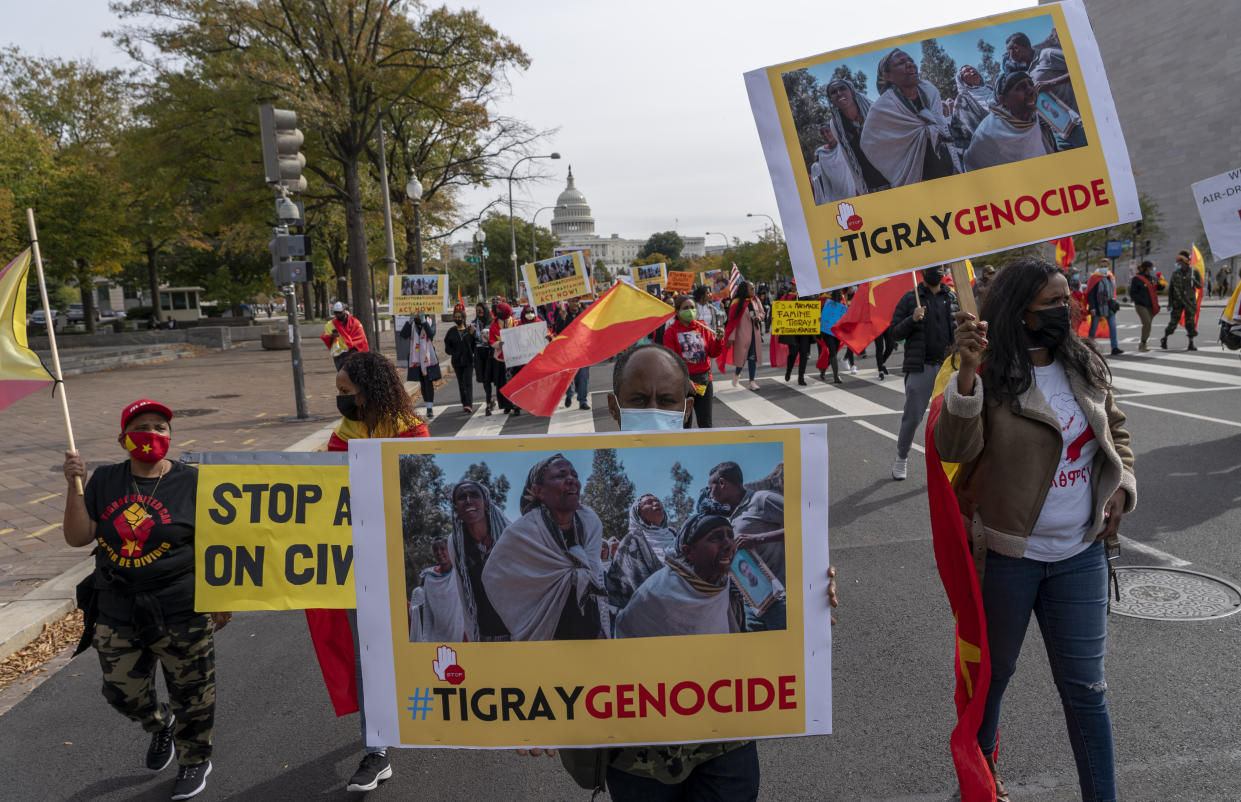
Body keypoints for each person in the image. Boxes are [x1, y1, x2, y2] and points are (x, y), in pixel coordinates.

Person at [935, 257, 1135, 802]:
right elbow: (953, 450)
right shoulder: (990, 369)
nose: (1066, 308)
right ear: (1020, 312)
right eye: (1052, 302)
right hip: (1007, 559)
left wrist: (1121, 485)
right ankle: (980, 788)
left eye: (1067, 298)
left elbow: (1115, 430)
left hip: (1081, 554)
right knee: (990, 685)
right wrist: (968, 372)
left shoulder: (1083, 362)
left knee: (1086, 692)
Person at [61, 399, 227, 802]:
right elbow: (79, 536)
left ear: (171, 437)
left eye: (160, 427)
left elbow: (215, 542)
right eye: (142, 426)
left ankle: (194, 759)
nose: (152, 433)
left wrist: (221, 597)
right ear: (123, 439)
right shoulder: (104, 480)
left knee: (194, 693)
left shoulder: (192, 482)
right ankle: (159, 725)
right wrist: (74, 486)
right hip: (118, 607)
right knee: (122, 692)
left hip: (182, 605)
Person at [309, 351, 428, 792]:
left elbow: (420, 491)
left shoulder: (413, 433)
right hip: (356, 564)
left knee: (415, 643)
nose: (339, 400)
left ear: (369, 391)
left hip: (401, 562)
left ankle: (429, 712)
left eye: (345, 392)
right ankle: (376, 750)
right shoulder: (342, 438)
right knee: (367, 656)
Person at [482, 454, 608, 641]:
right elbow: (493, 577)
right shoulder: (522, 533)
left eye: (574, 475)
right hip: (543, 633)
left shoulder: (590, 522)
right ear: (538, 490)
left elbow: (594, 574)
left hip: (589, 632)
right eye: (561, 475)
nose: (571, 480)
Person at [613, 513, 745, 639]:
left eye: (730, 536)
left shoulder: (723, 584)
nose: (729, 545)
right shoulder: (656, 592)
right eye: (716, 538)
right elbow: (627, 633)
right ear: (688, 551)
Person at [889, 266, 958, 481]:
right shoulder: (911, 298)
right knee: (912, 417)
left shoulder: (951, 296)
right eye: (932, 268)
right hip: (921, 367)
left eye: (940, 267)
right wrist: (913, 319)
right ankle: (902, 457)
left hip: (948, 367)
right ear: (922, 271)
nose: (937, 271)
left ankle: (946, 466)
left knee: (949, 419)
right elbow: (894, 331)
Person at [860, 48, 958, 188]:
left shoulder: (929, 91)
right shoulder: (882, 108)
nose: (910, 64)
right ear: (887, 76)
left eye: (911, 61)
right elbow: (868, 143)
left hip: (946, 166)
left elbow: (940, 125)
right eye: (901, 63)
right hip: (917, 177)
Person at [707, 461, 786, 631]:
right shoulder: (731, 518)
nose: (709, 494)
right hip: (752, 604)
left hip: (779, 599)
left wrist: (759, 539)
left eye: (710, 487)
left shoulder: (762, 499)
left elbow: (804, 526)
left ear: (722, 483)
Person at [448, 481, 511, 641]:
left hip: (518, 632)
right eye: (462, 497)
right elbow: (464, 593)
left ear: (486, 502)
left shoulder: (509, 535)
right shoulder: (456, 543)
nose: (468, 500)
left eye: (474, 495)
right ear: (456, 507)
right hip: (483, 635)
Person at [963, 70, 1058, 172]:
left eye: (1031, 84)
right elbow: (973, 166)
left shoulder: (1032, 119)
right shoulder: (987, 134)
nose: (1031, 90)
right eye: (1021, 87)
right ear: (1003, 100)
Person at [606, 494, 680, 611]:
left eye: (657, 501)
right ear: (638, 514)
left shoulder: (676, 535)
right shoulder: (631, 541)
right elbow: (625, 581)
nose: (656, 503)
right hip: (649, 611)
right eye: (649, 502)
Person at [663, 295, 724, 428]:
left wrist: (719, 340)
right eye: (686, 308)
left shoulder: (703, 327)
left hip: (704, 381)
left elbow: (713, 352)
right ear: (677, 312)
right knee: (684, 424)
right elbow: (671, 361)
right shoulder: (670, 333)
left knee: (706, 423)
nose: (690, 310)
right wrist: (685, 379)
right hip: (683, 383)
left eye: (692, 307)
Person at [826, 78, 889, 192]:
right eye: (834, 92)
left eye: (842, 88)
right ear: (831, 100)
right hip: (872, 185)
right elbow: (849, 156)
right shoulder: (836, 125)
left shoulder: (875, 110)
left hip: (894, 175)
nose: (839, 93)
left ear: (852, 91)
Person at [1029, 28, 1087, 149]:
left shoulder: (1047, 54)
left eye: (1011, 52)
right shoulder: (1027, 72)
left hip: (1076, 121)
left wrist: (1051, 83)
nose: (1010, 58)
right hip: (1059, 130)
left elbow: (1080, 68)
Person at [408, 537, 466, 642]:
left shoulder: (459, 573)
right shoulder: (430, 577)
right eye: (436, 550)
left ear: (449, 549)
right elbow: (427, 608)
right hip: (436, 633)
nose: (439, 552)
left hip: (458, 630)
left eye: (442, 548)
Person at [722, 281, 764, 391]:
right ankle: (737, 374)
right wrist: (731, 338)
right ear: (745, 290)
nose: (754, 290)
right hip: (742, 336)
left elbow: (762, 312)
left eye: (754, 288)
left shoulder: (755, 300)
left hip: (755, 334)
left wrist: (758, 317)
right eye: (751, 288)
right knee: (742, 359)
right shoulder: (736, 303)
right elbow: (732, 322)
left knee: (752, 357)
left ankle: (752, 381)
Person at [401, 312, 442, 419]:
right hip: (416, 359)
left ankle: (430, 408)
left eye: (419, 313)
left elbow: (431, 334)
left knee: (428, 382)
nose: (417, 316)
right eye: (416, 314)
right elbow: (403, 334)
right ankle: (427, 405)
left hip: (428, 359)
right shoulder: (412, 324)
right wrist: (409, 322)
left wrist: (424, 321)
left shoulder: (429, 321)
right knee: (423, 384)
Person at [810, 123, 862, 205]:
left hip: (852, 189)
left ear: (833, 131)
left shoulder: (843, 146)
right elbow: (825, 178)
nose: (825, 135)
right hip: (836, 195)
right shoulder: (822, 154)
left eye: (827, 131)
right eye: (822, 133)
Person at [556, 297, 592, 410]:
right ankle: (570, 394)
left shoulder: (585, 314)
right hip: (568, 352)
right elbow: (559, 333)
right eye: (573, 301)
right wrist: (562, 319)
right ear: (569, 303)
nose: (575, 304)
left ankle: (582, 401)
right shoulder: (562, 314)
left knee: (583, 376)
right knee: (568, 376)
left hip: (582, 351)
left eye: (577, 301)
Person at [949, 64, 995, 150]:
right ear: (961, 79)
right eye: (967, 71)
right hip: (986, 147)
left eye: (973, 68)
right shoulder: (961, 99)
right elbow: (958, 130)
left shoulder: (991, 89)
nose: (972, 71)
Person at [1162, 250, 1201, 350]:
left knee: (1190, 323)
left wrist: (1194, 280)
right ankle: (1165, 338)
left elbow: (1199, 286)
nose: (1179, 265)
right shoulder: (1175, 274)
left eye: (1180, 263)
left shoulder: (1194, 272)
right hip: (1177, 302)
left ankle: (1191, 343)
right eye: (1178, 263)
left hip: (1189, 301)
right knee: (1173, 323)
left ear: (1186, 262)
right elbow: (1171, 289)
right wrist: (1169, 303)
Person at [1086, 259, 1124, 356]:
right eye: (1101, 266)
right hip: (1098, 307)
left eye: (1105, 266)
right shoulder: (1094, 278)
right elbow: (1091, 294)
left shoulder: (1111, 276)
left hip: (1110, 308)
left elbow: (1113, 292)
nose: (1103, 268)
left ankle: (1114, 347)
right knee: (1093, 328)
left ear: (1109, 266)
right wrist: (1092, 307)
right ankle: (1090, 347)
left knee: (1113, 327)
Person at [442, 304, 475, 413]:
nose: (457, 319)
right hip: (457, 362)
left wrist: (470, 335)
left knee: (468, 383)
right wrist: (454, 353)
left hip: (468, 361)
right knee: (461, 383)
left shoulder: (469, 330)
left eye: (459, 317)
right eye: (455, 317)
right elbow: (447, 347)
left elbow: (473, 344)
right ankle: (464, 404)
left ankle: (469, 404)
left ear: (463, 318)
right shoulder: (451, 331)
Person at [488, 301, 518, 416]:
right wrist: (498, 344)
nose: (498, 313)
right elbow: (491, 340)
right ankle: (507, 405)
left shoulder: (516, 322)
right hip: (501, 358)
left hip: (515, 357)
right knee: (503, 383)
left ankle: (516, 405)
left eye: (500, 311)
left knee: (514, 382)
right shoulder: (494, 325)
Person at [321, 302, 369, 370]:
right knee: (342, 376)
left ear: (345, 310)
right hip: (339, 356)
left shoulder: (355, 323)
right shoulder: (330, 325)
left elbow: (361, 339)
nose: (338, 315)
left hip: (354, 354)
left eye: (340, 312)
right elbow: (326, 339)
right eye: (336, 313)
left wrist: (352, 349)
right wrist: (332, 336)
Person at [471, 302, 496, 415]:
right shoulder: (474, 323)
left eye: (480, 311)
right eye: (477, 311)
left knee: (488, 378)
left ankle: (489, 404)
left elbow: (496, 336)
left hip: (490, 353)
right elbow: (470, 342)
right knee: (484, 380)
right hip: (479, 354)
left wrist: (489, 338)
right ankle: (490, 399)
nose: (479, 313)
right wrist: (470, 334)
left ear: (485, 311)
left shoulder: (492, 323)